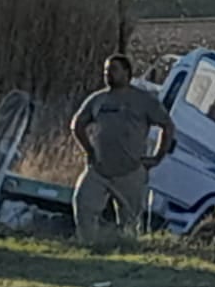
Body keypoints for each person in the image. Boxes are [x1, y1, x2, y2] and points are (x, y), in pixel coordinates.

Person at [70, 53, 176, 243]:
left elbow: (167, 126)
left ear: (127, 73)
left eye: (113, 70)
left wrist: (157, 157)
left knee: (130, 223)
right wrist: (89, 150)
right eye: (106, 71)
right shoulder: (98, 100)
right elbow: (77, 125)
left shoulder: (143, 101)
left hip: (130, 172)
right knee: (83, 205)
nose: (108, 74)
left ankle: (126, 252)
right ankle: (88, 247)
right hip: (99, 170)